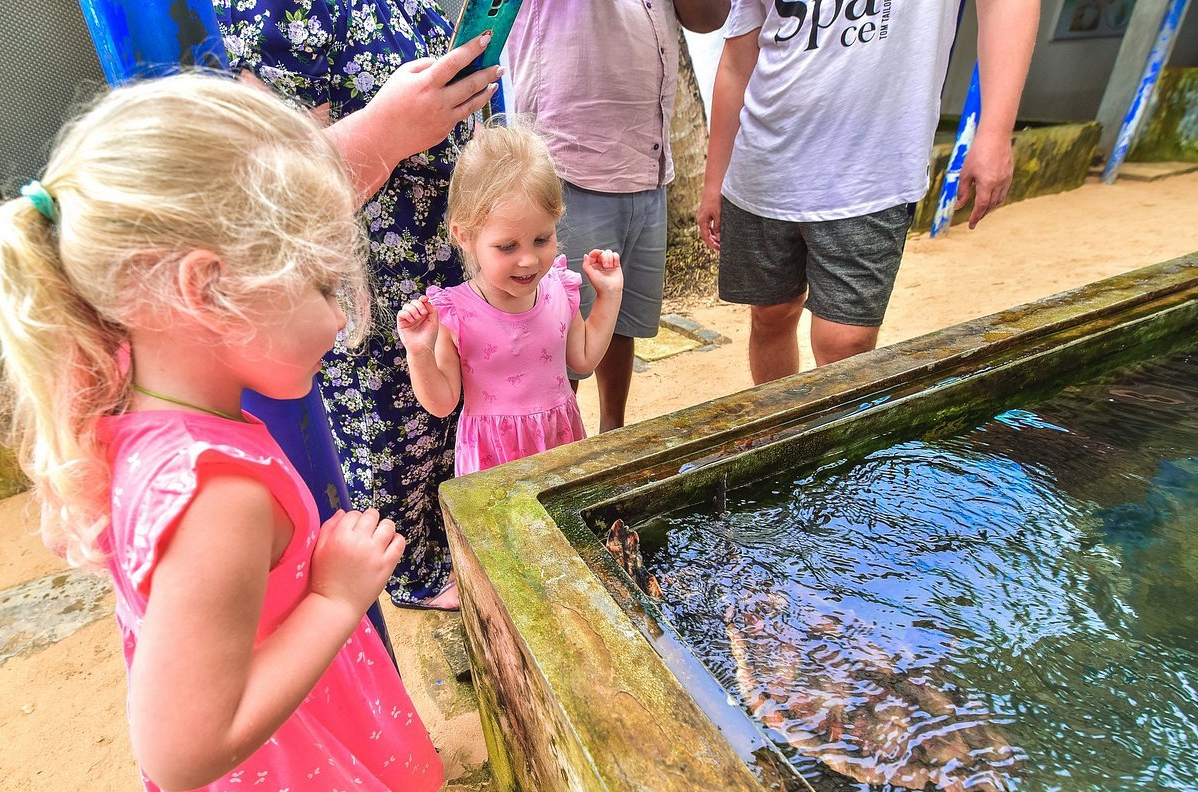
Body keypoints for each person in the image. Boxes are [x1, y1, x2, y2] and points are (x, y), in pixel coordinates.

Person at [0, 74, 443, 792]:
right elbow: (184, 746)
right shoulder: (218, 493)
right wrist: (338, 597)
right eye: (319, 287)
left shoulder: (132, 412)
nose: (340, 322)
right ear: (208, 288)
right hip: (268, 739)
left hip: (252, 711)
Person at [218, 1, 503, 611]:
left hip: (448, 264)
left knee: (452, 417)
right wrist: (386, 130)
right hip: (368, 282)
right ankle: (413, 572)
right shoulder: (276, 10)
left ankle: (446, 546)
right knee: (394, 443)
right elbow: (273, 195)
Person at [697, 0, 1038, 385]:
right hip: (763, 162)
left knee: (846, 342)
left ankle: (836, 444)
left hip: (872, 169)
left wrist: (994, 131)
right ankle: (780, 435)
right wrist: (715, 182)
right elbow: (737, 60)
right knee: (770, 315)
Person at [505, 0, 731, 433]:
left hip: (644, 166)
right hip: (569, 164)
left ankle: (613, 437)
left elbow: (708, 18)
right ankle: (551, 460)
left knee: (618, 320)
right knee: (557, 334)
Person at [396, 123, 625, 475]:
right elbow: (442, 403)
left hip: (558, 444)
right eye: (507, 247)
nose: (529, 260)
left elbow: (582, 358)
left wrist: (609, 294)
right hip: (492, 461)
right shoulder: (455, 313)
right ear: (465, 236)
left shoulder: (558, 289)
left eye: (541, 239)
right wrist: (418, 352)